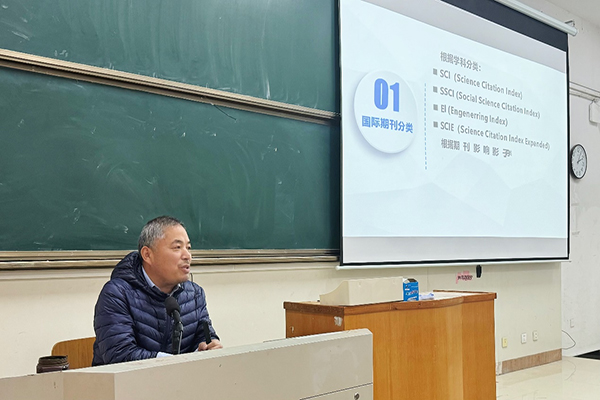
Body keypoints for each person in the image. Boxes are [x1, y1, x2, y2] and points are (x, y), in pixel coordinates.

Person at [92, 216, 222, 366]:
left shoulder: (195, 294)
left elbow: (205, 337)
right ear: (147, 255)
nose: (187, 256)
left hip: (179, 378)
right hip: (128, 380)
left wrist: (209, 347)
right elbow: (120, 354)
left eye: (188, 248)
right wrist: (173, 362)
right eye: (177, 247)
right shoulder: (117, 294)